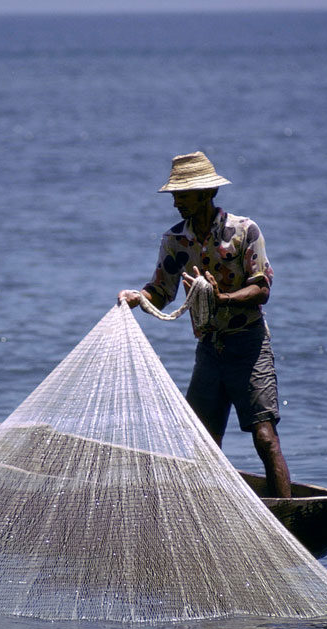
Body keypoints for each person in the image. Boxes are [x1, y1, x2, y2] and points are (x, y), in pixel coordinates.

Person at [119, 151, 291, 497]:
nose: (176, 204)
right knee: (203, 442)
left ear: (207, 193)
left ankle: (286, 517)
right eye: (174, 196)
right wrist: (139, 298)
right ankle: (207, 508)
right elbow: (161, 291)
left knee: (265, 437)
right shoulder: (175, 240)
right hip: (210, 349)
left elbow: (261, 289)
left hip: (248, 344)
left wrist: (221, 298)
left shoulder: (243, 231)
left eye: (183, 196)